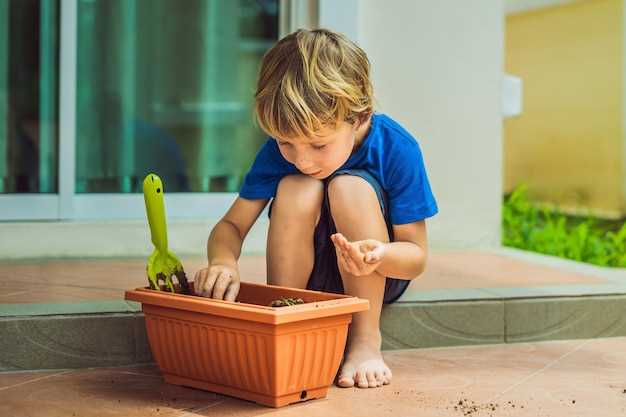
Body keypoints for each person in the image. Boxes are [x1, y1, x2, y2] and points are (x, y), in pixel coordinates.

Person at [193, 28, 438, 389]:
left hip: (375, 273)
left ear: (360, 117)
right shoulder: (282, 153)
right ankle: (286, 320)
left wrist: (379, 255)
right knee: (296, 187)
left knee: (349, 187)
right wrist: (223, 262)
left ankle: (365, 340)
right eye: (286, 143)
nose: (302, 158)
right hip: (308, 275)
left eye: (318, 145)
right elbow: (231, 225)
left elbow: (416, 256)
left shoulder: (396, 148)